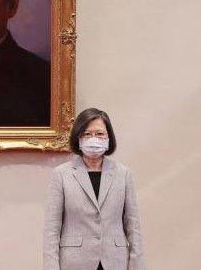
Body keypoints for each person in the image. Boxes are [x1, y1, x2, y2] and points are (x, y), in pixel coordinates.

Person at [43, 108, 145, 270]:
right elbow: (52, 230)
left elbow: (133, 226)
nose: (94, 139)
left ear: (109, 137)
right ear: (78, 138)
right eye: (87, 134)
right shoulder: (61, 174)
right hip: (75, 262)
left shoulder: (123, 174)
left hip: (115, 261)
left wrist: (137, 266)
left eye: (99, 134)